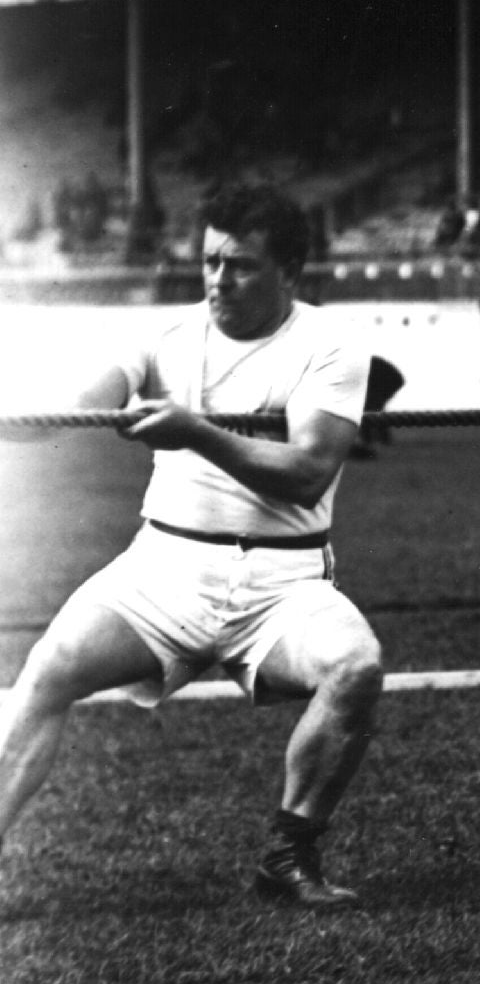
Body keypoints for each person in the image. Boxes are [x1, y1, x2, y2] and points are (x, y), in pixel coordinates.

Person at [0, 183, 384, 907]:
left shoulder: (330, 346)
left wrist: (196, 430)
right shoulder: (164, 336)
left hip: (283, 582)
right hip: (164, 569)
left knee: (356, 667)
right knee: (47, 673)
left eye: (239, 265)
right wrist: (22, 416)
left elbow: (305, 475)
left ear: (290, 272)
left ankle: (287, 855)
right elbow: (79, 406)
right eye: (209, 261)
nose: (217, 280)